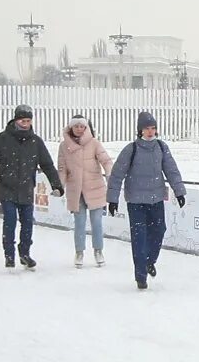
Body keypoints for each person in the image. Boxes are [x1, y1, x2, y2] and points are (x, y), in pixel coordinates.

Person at [0, 105, 62, 269]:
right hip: (6, 188)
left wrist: (56, 184)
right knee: (10, 221)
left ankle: (25, 253)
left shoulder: (35, 142)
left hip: (26, 189)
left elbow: (47, 165)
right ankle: (9, 255)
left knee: (28, 223)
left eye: (28, 121)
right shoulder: (3, 139)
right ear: (16, 120)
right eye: (23, 120)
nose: (25, 124)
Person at [107, 110, 185, 290]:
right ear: (139, 130)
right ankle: (140, 275)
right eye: (146, 128)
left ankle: (150, 261)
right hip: (136, 201)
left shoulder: (161, 147)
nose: (150, 132)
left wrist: (179, 191)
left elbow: (171, 170)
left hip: (156, 199)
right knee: (139, 237)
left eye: (153, 128)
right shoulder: (131, 149)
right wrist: (112, 198)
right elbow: (117, 174)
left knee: (159, 230)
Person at [58, 113, 114, 267]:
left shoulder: (94, 143)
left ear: (86, 127)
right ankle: (79, 252)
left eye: (82, 126)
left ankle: (98, 250)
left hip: (94, 187)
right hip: (76, 191)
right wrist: (59, 186)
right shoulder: (64, 146)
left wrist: (110, 174)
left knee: (97, 222)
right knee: (79, 223)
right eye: (76, 126)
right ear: (71, 127)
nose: (79, 129)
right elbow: (62, 169)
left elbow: (106, 160)